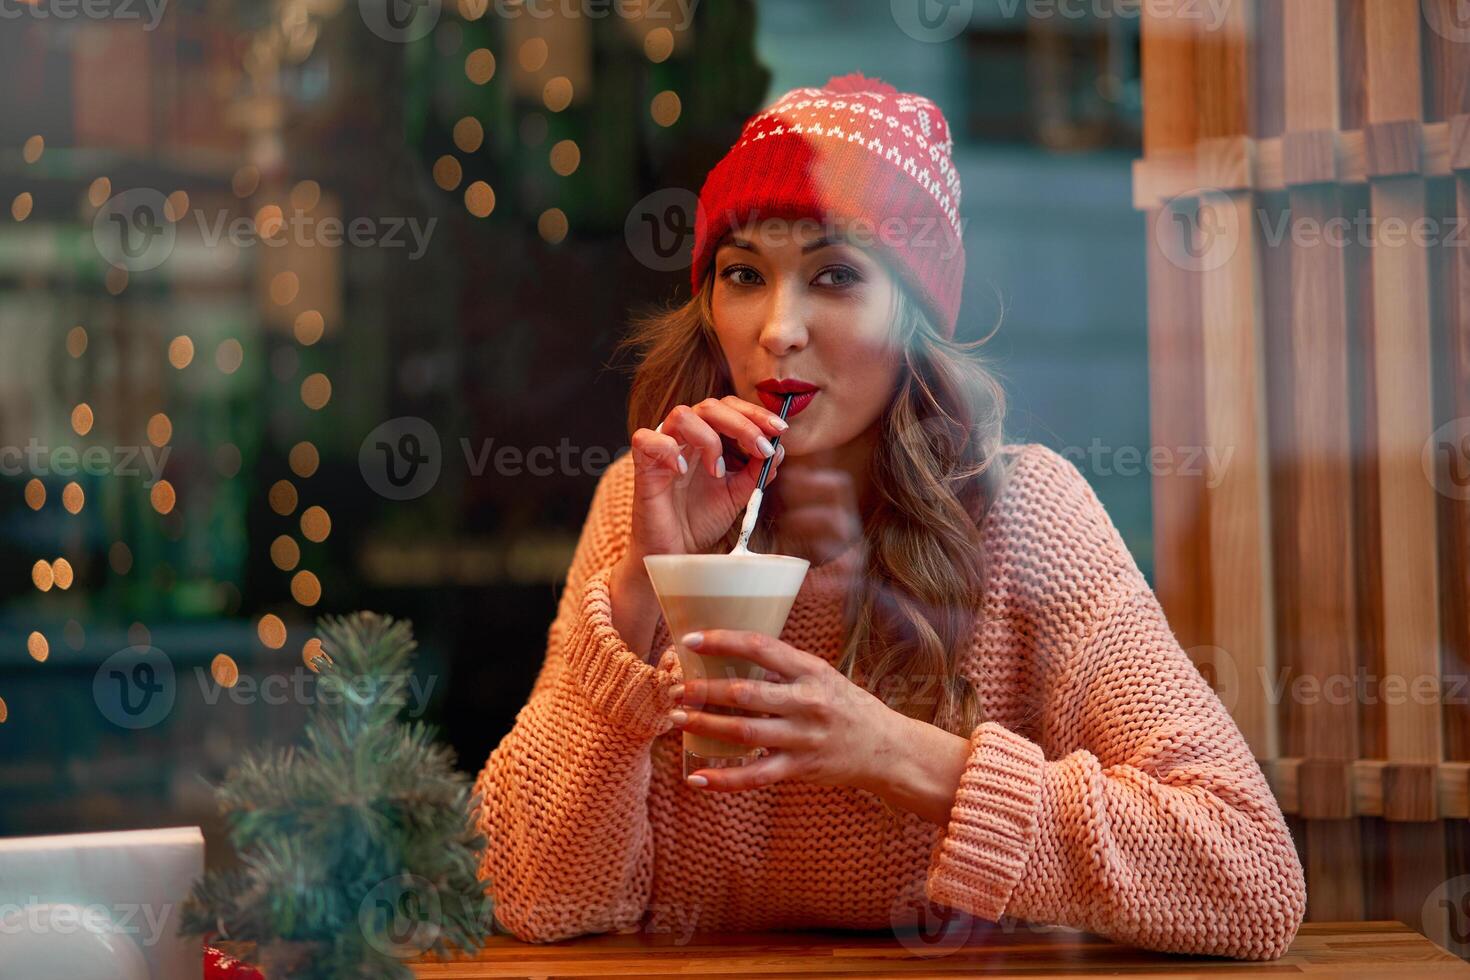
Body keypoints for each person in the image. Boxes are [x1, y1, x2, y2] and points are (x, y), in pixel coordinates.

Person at [472, 72, 1306, 960]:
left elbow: (1247, 874)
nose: (779, 329)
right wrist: (640, 591)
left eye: (836, 275)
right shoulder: (650, 500)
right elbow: (530, 891)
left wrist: (898, 757)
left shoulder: (1025, 515)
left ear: (912, 316)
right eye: (743, 274)